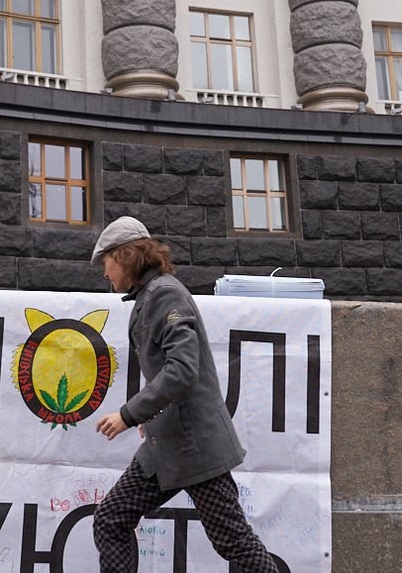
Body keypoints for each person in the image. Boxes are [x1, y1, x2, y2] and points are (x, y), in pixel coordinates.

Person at [90, 217, 278, 573]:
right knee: (111, 518)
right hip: (166, 445)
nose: (104, 272)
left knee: (233, 541)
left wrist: (129, 415)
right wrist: (152, 415)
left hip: (195, 447)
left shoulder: (165, 295)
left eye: (107, 261)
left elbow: (182, 369)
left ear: (126, 256)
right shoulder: (150, 296)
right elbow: (169, 373)